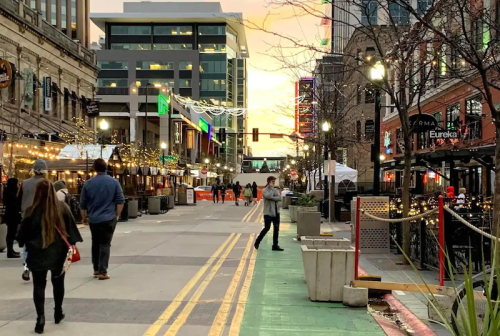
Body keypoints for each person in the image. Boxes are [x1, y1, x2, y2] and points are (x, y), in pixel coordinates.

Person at [16, 180, 83, 334]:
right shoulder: (62, 208)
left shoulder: (31, 210)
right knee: (58, 282)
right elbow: (72, 231)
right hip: (58, 252)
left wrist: (24, 242)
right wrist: (70, 243)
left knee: (39, 285)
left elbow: (21, 236)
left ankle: (40, 317)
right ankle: (58, 312)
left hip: (37, 252)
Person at [80, 159, 125, 280]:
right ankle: (103, 271)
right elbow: (120, 200)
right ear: (106, 168)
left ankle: (96, 268)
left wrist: (84, 216)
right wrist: (117, 215)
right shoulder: (114, 182)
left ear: (95, 168)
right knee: (105, 244)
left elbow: (83, 203)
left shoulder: (88, 183)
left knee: (95, 242)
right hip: (108, 217)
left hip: (94, 218)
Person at [18, 159, 48, 281]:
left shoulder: (24, 183)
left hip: (27, 217)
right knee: (43, 242)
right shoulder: (47, 184)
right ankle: (41, 265)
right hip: (43, 217)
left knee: (27, 245)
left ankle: (26, 268)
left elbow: (19, 200)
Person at [254, 176, 283, 251]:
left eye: (274, 182)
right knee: (267, 228)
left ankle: (275, 245)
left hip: (276, 212)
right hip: (268, 212)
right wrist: (272, 195)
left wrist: (273, 197)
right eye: (272, 182)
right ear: (269, 182)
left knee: (276, 229)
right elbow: (268, 196)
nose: (273, 183)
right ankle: (257, 242)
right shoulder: (264, 190)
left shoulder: (275, 190)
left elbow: (279, 198)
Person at [3, 178, 21, 258]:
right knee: (11, 232)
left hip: (9, 214)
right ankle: (10, 251)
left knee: (11, 232)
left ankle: (11, 250)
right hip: (13, 214)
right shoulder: (12, 193)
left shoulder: (6, 191)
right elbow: (16, 202)